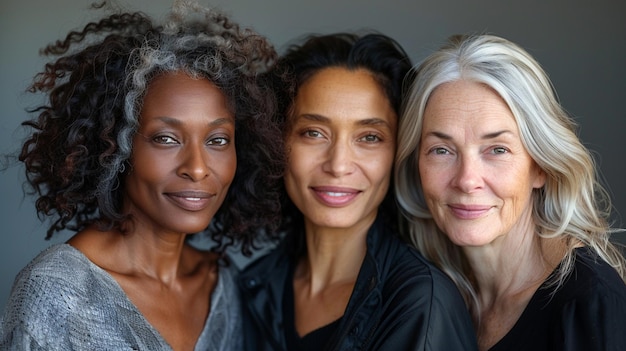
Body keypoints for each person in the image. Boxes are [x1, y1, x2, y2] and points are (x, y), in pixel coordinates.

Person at [0, 1, 283, 350]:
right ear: (115, 148)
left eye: (217, 140)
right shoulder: (58, 293)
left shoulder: (222, 283)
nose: (196, 168)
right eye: (166, 139)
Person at [238, 32, 478, 351]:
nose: (338, 165)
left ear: (400, 152)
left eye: (369, 137)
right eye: (313, 133)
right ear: (276, 141)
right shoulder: (252, 284)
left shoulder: (420, 302)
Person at [395, 33, 626, 351]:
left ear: (540, 166)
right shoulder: (431, 295)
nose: (466, 180)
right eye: (441, 150)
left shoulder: (590, 302)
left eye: (497, 150)